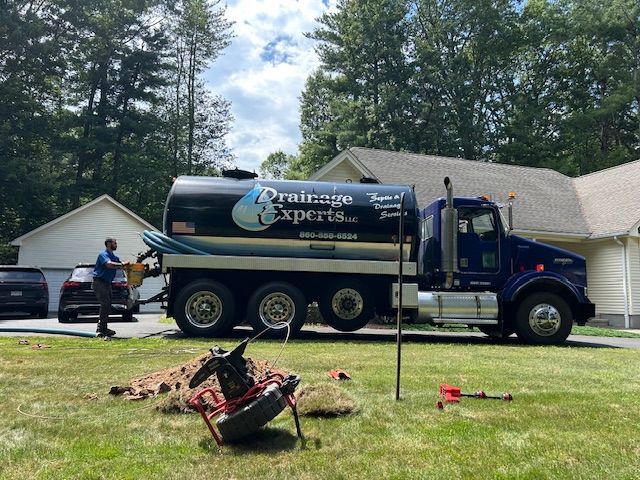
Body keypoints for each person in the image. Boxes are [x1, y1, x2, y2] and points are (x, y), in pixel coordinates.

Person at [93, 237, 129, 336]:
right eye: (115, 243)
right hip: (99, 282)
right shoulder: (103, 254)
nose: (116, 245)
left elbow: (122, 266)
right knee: (105, 304)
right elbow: (109, 265)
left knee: (108, 305)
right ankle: (101, 329)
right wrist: (122, 264)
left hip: (107, 283)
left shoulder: (114, 256)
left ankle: (103, 328)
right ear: (108, 244)